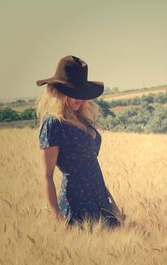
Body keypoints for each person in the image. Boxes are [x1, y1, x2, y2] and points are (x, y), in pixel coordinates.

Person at [35, 55, 125, 230]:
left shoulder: (85, 120)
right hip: (76, 200)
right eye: (73, 92)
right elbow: (47, 176)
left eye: (81, 93)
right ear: (58, 92)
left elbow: (92, 166)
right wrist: (57, 219)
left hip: (100, 197)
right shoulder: (53, 124)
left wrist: (112, 202)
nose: (79, 98)